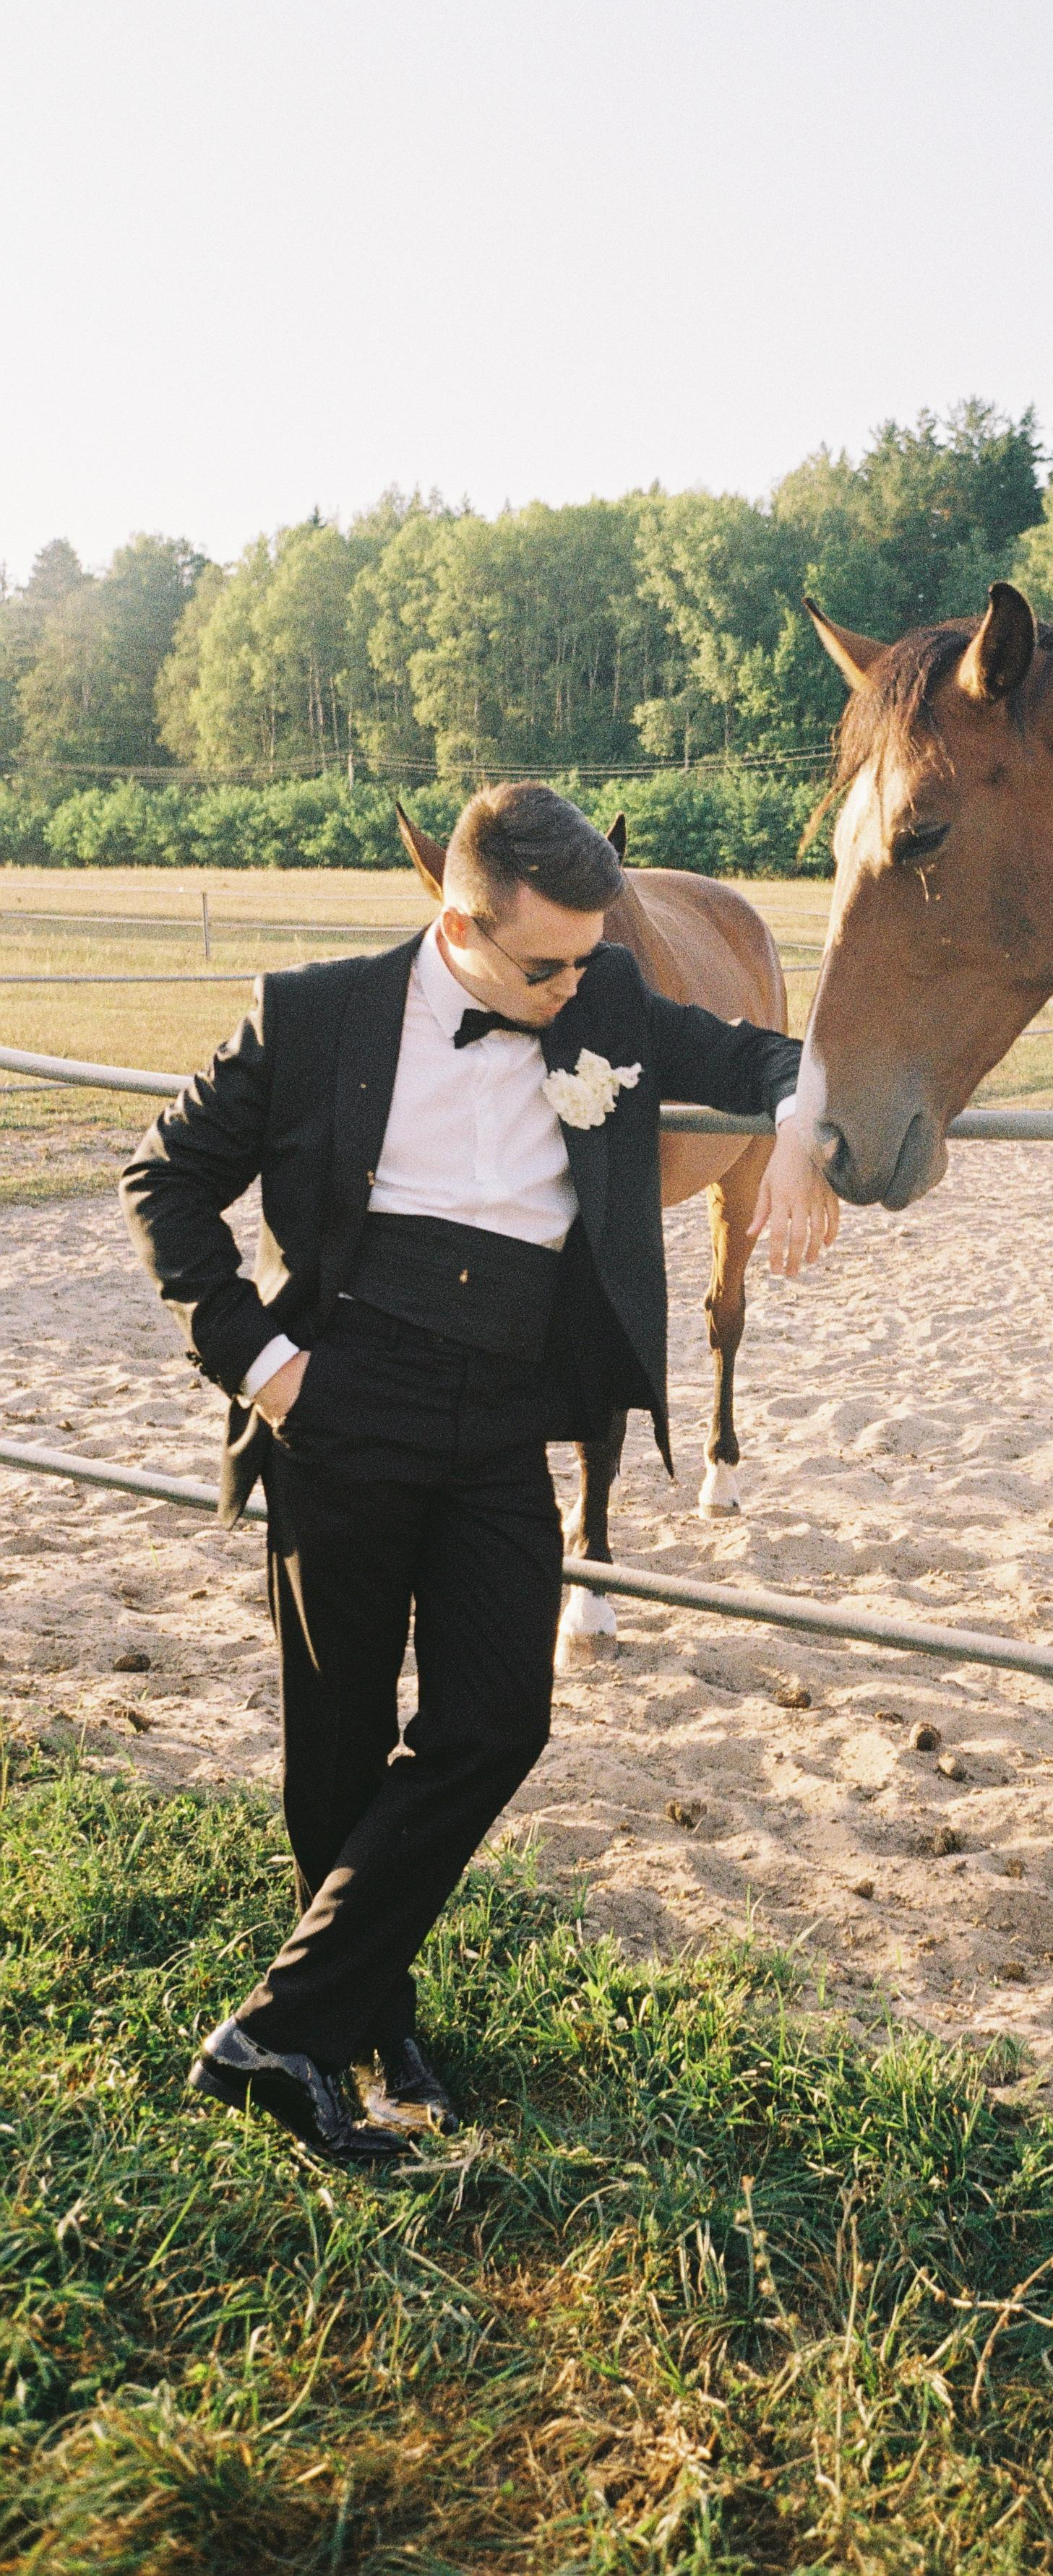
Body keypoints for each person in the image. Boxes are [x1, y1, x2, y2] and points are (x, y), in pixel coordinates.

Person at [121, 783, 838, 2167]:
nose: (575, 989)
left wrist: (799, 1133)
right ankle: (361, 2032)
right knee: (332, 1745)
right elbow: (163, 1181)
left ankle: (279, 2028)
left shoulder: (606, 1000)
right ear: (457, 919)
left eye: (588, 959)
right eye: (545, 965)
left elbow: (775, 1058)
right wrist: (266, 1367)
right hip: (341, 1398)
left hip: (505, 1412)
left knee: (501, 1719)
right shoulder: (314, 1011)